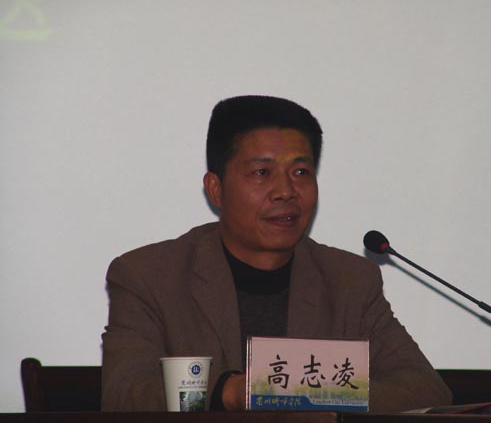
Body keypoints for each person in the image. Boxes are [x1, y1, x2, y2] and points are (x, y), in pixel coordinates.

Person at [101, 95, 451, 413]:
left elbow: (426, 389)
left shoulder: (349, 281)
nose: (286, 191)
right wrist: (228, 392)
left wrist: (313, 393)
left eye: (301, 172)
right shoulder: (148, 276)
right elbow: (124, 394)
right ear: (216, 189)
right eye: (262, 172)